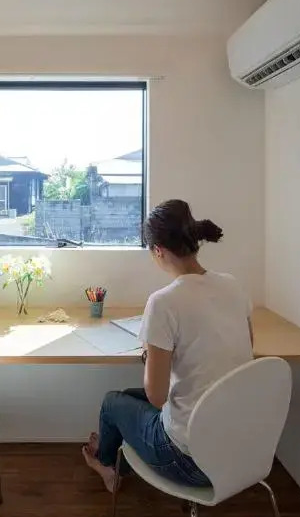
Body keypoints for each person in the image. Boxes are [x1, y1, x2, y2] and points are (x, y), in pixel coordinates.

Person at [82, 199, 255, 492]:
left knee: (112, 402)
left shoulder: (163, 302)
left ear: (158, 250)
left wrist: (152, 355)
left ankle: (108, 466)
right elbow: (247, 349)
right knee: (128, 397)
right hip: (240, 449)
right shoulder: (233, 285)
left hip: (191, 461)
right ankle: (118, 451)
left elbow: (157, 397)